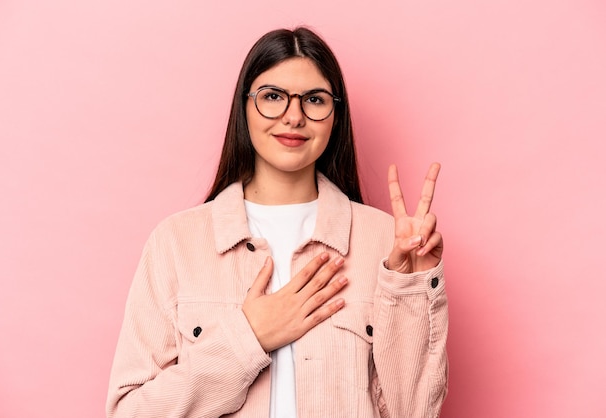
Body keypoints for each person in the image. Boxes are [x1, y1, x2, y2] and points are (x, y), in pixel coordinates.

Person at [106, 26, 448, 418]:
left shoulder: (385, 241)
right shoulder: (176, 242)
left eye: (314, 100)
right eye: (272, 97)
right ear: (245, 106)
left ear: (335, 114)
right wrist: (248, 338)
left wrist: (412, 287)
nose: (294, 117)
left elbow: (414, 412)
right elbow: (128, 412)